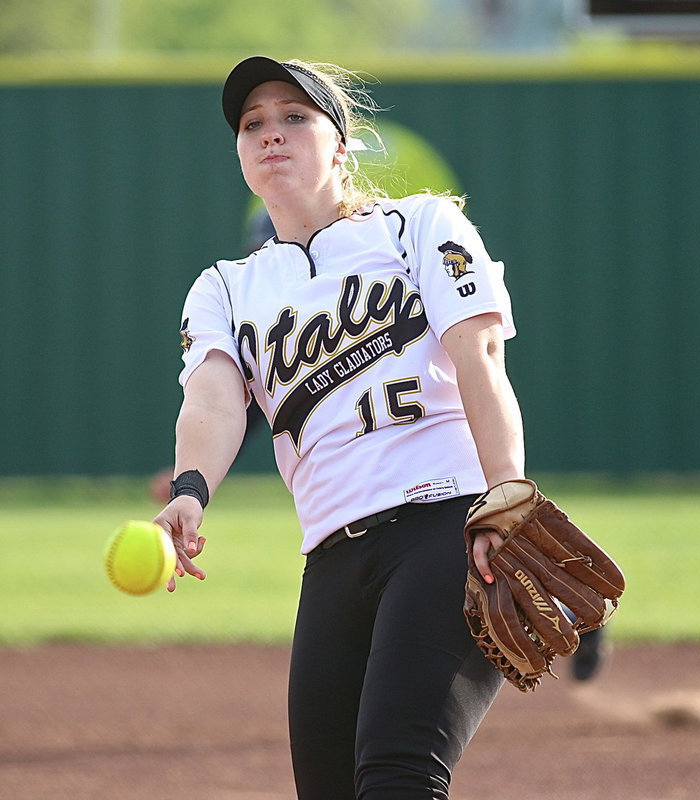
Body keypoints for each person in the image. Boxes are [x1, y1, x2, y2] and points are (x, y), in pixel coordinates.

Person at [153, 55, 525, 799]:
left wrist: (507, 493)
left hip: (444, 526)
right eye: (253, 124)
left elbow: (480, 357)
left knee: (396, 775)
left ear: (341, 144)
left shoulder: (419, 225)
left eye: (295, 117)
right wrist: (191, 489)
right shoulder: (226, 286)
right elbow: (216, 401)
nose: (271, 135)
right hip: (331, 559)